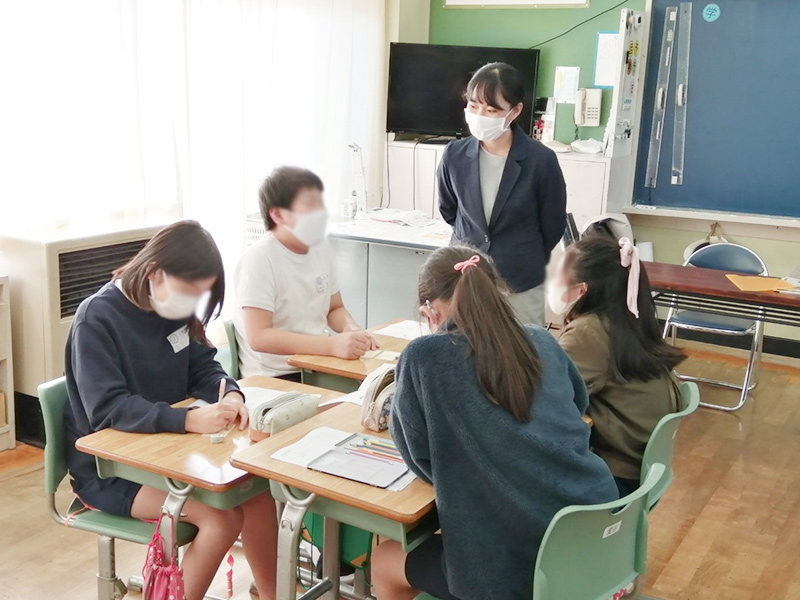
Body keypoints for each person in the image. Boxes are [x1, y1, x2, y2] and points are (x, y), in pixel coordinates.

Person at [371, 246, 618, 600]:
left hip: (521, 569)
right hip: (596, 531)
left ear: (430, 311)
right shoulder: (542, 339)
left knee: (384, 560)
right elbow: (579, 404)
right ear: (497, 292)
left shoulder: (423, 356)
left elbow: (420, 458)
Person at [64, 221, 278, 600]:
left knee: (258, 493)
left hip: (167, 455)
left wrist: (230, 393)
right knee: (221, 519)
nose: (191, 304)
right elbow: (108, 409)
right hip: (111, 471)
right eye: (188, 292)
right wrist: (188, 419)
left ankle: (273, 593)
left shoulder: (171, 307)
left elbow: (203, 367)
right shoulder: (96, 319)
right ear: (154, 273)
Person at [550, 235, 687, 496]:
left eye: (559, 276)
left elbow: (548, 395)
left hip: (614, 477)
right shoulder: (629, 318)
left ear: (582, 290)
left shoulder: (587, 332)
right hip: (641, 468)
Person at [437, 62, 567, 326]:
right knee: (462, 347)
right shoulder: (454, 155)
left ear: (515, 111)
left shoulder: (541, 160)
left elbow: (552, 225)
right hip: (465, 277)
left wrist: (519, 253)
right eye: (474, 106)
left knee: (524, 348)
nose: (480, 115)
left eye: (492, 110)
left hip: (520, 281)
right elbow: (449, 210)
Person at [234, 166, 376, 380]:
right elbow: (259, 337)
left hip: (317, 364)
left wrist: (351, 330)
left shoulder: (321, 247)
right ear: (278, 214)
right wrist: (330, 346)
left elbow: (334, 308)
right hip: (277, 376)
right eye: (309, 205)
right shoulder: (260, 258)